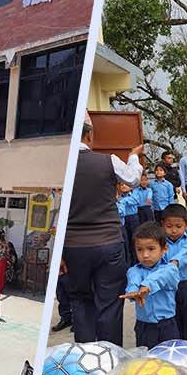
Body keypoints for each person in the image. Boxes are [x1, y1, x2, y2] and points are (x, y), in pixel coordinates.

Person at [62, 114, 144, 345]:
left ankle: (86, 359)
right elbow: (134, 179)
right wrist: (133, 157)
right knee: (109, 303)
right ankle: (110, 358)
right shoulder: (108, 161)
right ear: (89, 135)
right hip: (109, 244)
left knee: (80, 300)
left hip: (73, 248)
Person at [121, 222, 181, 348]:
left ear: (164, 249)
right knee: (147, 360)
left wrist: (146, 286)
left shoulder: (170, 269)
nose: (145, 255)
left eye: (151, 249)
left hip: (167, 324)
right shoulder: (134, 270)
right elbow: (133, 281)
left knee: (169, 359)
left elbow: (160, 277)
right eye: (140, 250)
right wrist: (133, 292)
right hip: (144, 325)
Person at [160, 204, 187, 346]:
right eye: (169, 226)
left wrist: (173, 263)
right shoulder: (160, 244)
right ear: (162, 225)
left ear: (186, 225)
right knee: (173, 321)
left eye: (178, 226)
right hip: (168, 288)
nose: (173, 230)